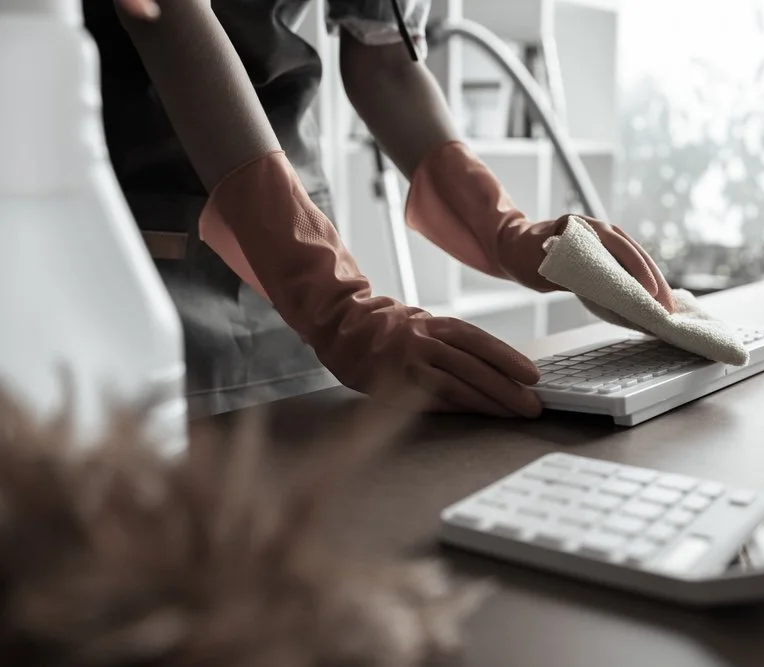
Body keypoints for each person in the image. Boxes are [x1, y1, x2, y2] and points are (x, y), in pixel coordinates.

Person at [89, 0, 676, 419]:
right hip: (129, 223)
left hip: (288, 236)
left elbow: (386, 59)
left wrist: (505, 229)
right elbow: (168, 16)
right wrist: (334, 303)